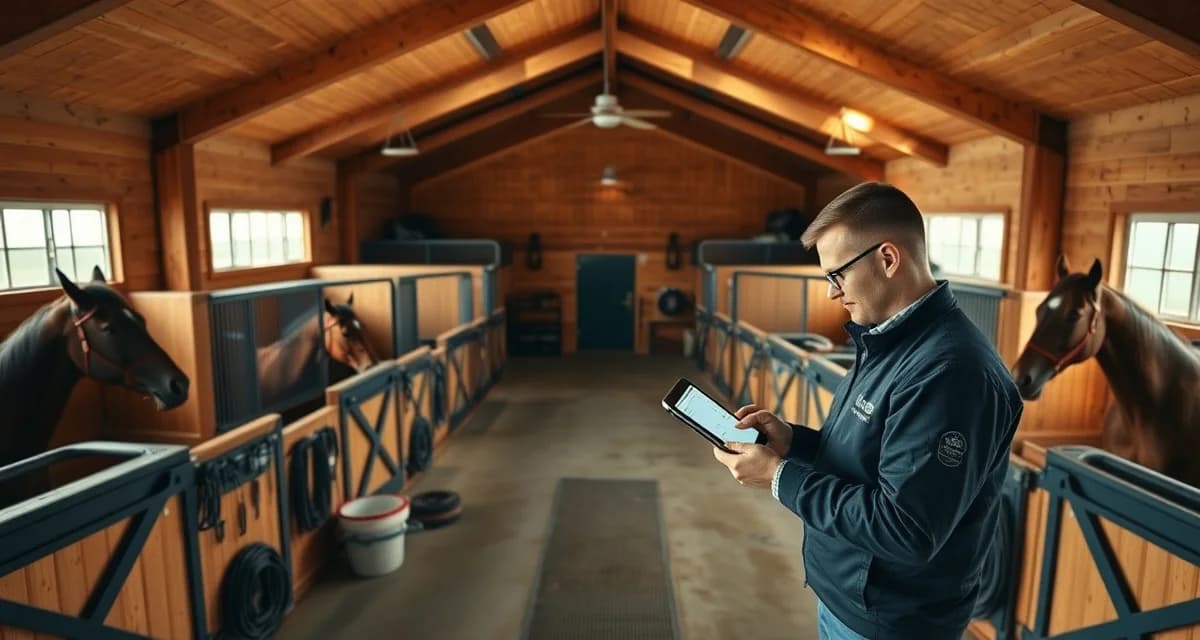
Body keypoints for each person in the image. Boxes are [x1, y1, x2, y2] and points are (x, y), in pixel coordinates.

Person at [712, 182, 1023, 639]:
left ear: (888, 259)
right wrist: (794, 442)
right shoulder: (888, 338)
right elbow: (868, 460)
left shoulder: (949, 372)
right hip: (851, 598)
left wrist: (778, 477)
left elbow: (905, 528)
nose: (832, 293)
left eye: (836, 275)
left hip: (889, 621)